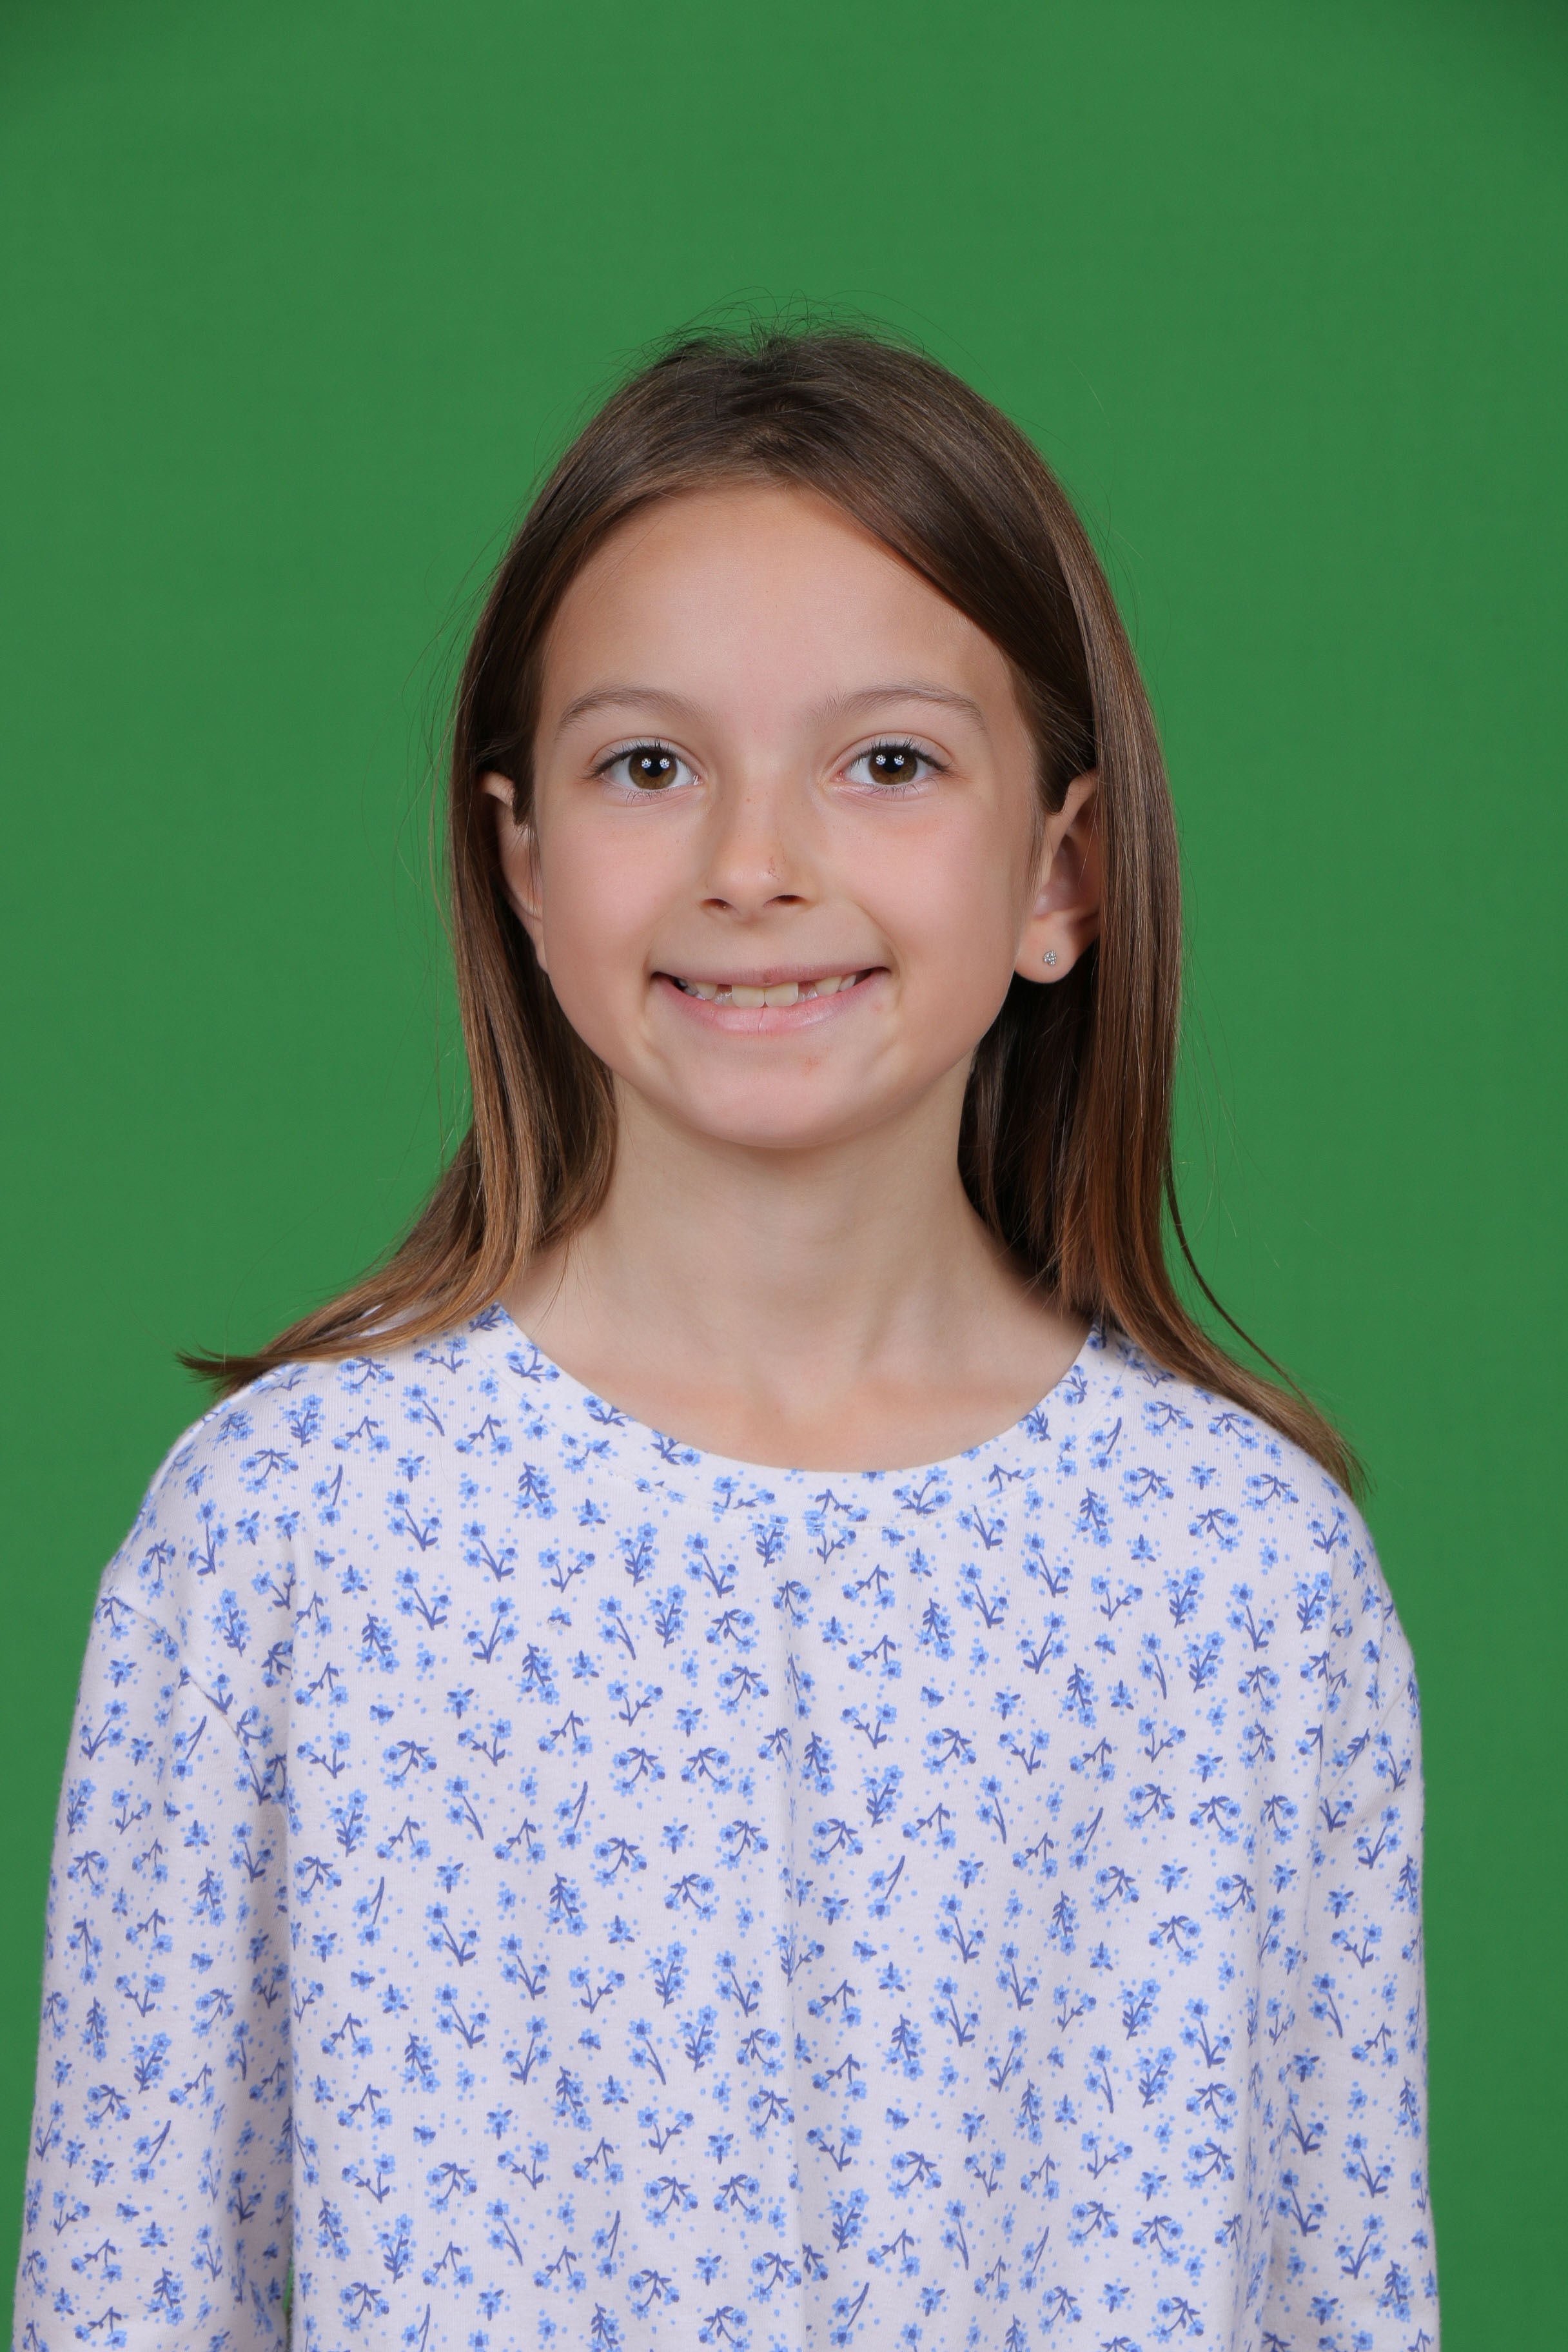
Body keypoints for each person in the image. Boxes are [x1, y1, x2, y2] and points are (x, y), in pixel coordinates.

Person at [14, 328, 1436, 2351]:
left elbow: (1338, 2293)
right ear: (520, 864)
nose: (754, 866)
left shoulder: (1244, 1583)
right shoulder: (292, 1542)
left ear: (1063, 871)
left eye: (889, 763)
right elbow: (126, 2293)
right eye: (649, 766)